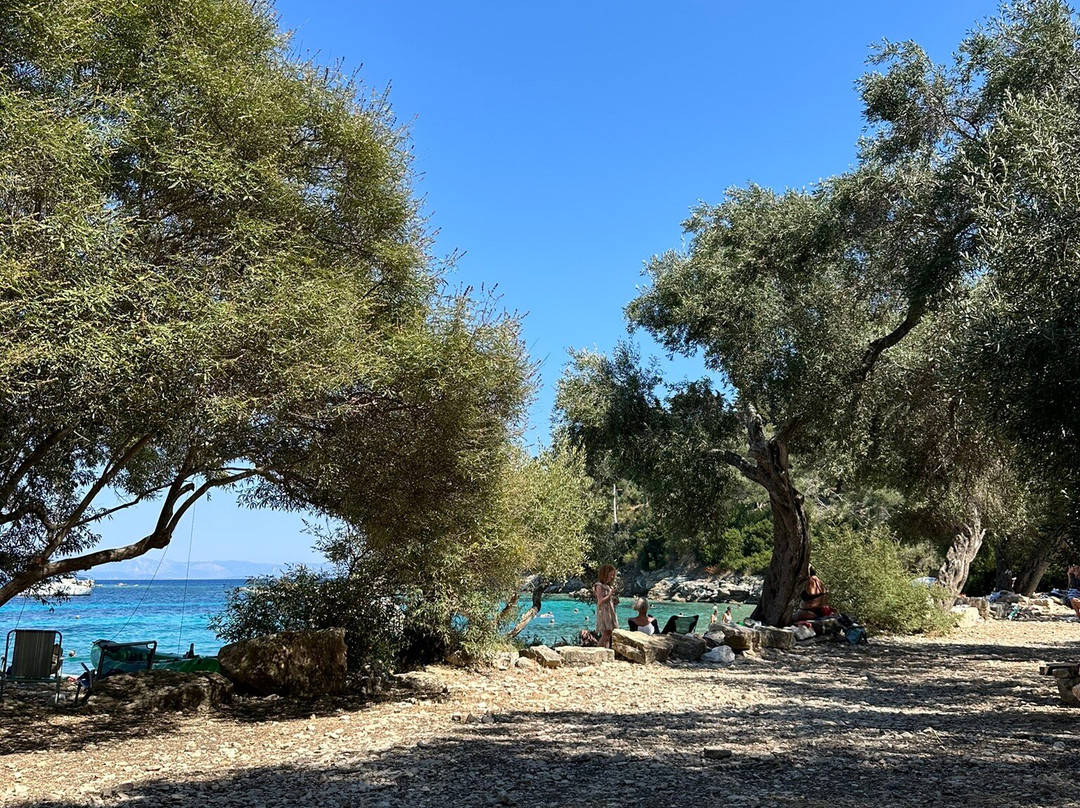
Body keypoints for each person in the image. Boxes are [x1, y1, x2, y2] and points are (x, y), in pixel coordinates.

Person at [594, 564, 619, 648]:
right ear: (605, 574)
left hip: (609, 611)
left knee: (609, 633)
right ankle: (599, 650)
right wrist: (610, 594)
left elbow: (607, 599)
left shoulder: (607, 586)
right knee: (606, 633)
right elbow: (600, 601)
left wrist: (613, 600)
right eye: (611, 575)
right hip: (604, 612)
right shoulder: (599, 586)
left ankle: (605, 649)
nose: (612, 577)